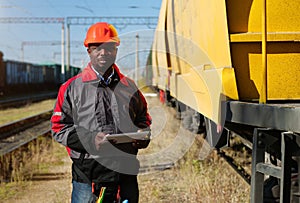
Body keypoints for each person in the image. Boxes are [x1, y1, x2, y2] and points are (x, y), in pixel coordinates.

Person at [51, 22, 152, 203]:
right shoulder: (71, 88)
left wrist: (141, 134)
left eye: (109, 47)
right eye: (97, 47)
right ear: (88, 50)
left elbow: (143, 118)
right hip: (88, 177)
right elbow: (59, 129)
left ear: (116, 50)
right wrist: (91, 139)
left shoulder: (129, 87)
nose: (103, 52)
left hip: (124, 174)